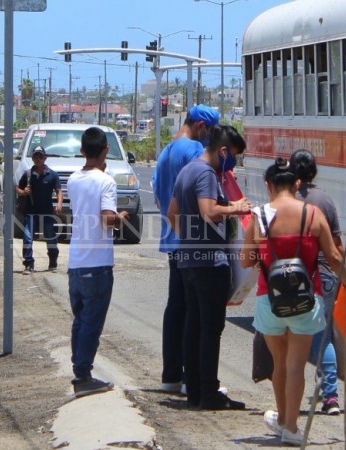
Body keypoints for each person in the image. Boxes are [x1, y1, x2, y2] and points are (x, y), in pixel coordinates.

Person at [239, 157, 343, 446]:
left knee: (279, 363)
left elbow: (247, 260)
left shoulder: (259, 217)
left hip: (269, 300)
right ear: (297, 184)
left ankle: (284, 421)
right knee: (297, 364)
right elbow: (334, 258)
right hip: (307, 300)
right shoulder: (312, 214)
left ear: (268, 185)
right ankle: (293, 427)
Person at [166, 125, 250, 410]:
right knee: (211, 329)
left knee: (194, 327)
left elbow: (171, 214)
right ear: (223, 150)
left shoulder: (187, 171)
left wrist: (189, 241)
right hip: (209, 264)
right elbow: (209, 211)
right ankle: (209, 393)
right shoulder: (204, 173)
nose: (233, 162)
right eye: (234, 156)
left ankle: (196, 392)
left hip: (188, 261)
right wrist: (236, 208)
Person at [151, 104, 219, 393]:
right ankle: (195, 379)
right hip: (190, 242)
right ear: (202, 127)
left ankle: (171, 374)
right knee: (195, 312)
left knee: (176, 306)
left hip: (173, 239)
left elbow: (158, 195)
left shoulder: (166, 151)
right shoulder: (193, 150)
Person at [66, 127, 128, 398]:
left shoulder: (72, 179)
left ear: (82, 151)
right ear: (105, 150)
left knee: (80, 321)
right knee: (91, 322)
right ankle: (83, 377)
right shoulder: (106, 182)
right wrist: (122, 216)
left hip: (76, 262)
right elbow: (106, 219)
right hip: (98, 263)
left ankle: (79, 371)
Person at [290, 149, 345, 415]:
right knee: (323, 337)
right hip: (323, 276)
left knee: (292, 336)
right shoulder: (325, 200)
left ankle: (290, 398)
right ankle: (331, 396)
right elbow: (336, 245)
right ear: (314, 172)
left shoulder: (286, 200)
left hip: (290, 279)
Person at [16, 145, 63, 274]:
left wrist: (59, 204)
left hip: (47, 212)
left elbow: (59, 191)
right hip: (30, 212)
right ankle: (28, 264)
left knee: (50, 237)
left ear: (45, 158)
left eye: (40, 156)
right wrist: (23, 192)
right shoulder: (27, 174)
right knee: (28, 237)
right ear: (32, 158)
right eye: (35, 156)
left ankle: (53, 261)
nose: (38, 159)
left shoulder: (52, 175)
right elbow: (18, 189)